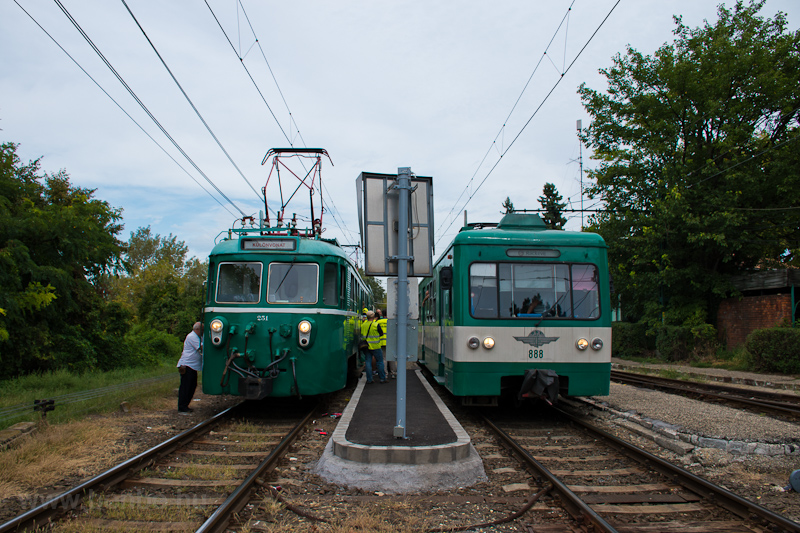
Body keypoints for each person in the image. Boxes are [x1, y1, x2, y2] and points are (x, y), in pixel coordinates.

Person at [177, 322, 203, 414]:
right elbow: (201, 347)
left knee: (192, 385)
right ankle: (182, 406)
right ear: (197, 329)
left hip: (192, 366)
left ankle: (185, 405)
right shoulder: (192, 337)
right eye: (202, 329)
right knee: (186, 386)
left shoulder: (198, 337)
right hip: (187, 365)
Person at [360, 310, 386, 384]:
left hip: (366, 346)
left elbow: (362, 334)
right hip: (376, 346)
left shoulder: (363, 325)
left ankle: (369, 379)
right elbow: (381, 333)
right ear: (374, 316)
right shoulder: (375, 324)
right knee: (380, 362)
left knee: (368, 362)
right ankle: (382, 378)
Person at [376, 309, 394, 378]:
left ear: (382, 315)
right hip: (390, 342)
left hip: (381, 342)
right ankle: (393, 373)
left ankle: (385, 374)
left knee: (384, 358)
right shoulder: (391, 322)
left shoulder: (378, 322)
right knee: (392, 358)